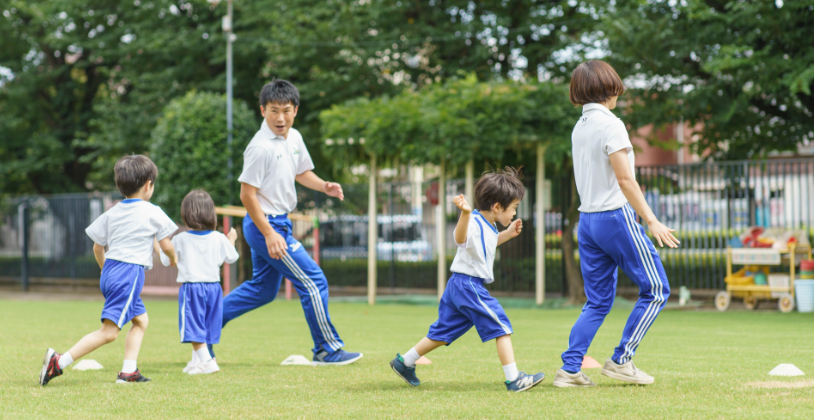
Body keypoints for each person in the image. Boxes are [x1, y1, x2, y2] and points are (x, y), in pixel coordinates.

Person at [211, 79, 362, 365]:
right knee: (314, 281)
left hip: (278, 224)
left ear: (295, 110)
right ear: (262, 110)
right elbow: (247, 195)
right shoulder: (259, 148)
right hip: (264, 226)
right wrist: (269, 233)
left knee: (262, 290)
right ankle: (326, 349)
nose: (280, 118)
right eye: (274, 111)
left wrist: (324, 186)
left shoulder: (294, 138)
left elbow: (301, 171)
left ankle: (204, 327)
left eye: (286, 110)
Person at [552, 60, 679, 388]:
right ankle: (622, 360)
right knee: (656, 289)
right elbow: (625, 179)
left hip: (588, 221)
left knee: (596, 301)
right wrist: (651, 220)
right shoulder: (612, 125)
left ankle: (569, 370)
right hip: (614, 217)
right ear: (610, 87)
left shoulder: (579, 127)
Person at [389, 168, 545, 392]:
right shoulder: (472, 220)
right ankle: (514, 379)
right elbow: (460, 238)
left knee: (443, 333)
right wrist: (464, 214)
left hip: (459, 285)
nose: (514, 213)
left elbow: (485, 246)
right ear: (497, 207)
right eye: (514, 208)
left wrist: (508, 233)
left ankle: (404, 362)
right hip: (468, 285)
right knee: (501, 326)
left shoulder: (489, 225)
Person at [39, 155, 178, 385]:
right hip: (128, 274)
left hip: (110, 270)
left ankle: (128, 372)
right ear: (148, 184)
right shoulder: (153, 211)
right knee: (109, 332)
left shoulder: (112, 212)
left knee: (141, 321)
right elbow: (166, 245)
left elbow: (97, 247)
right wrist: (172, 257)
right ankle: (58, 362)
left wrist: (106, 272)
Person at [156, 190, 239, 375]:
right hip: (214, 289)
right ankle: (196, 362)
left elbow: (165, 260)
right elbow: (232, 257)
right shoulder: (218, 237)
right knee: (205, 326)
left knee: (193, 326)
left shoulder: (181, 239)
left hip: (192, 288)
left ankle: (208, 361)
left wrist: (157, 242)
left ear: (186, 214)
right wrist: (231, 239)